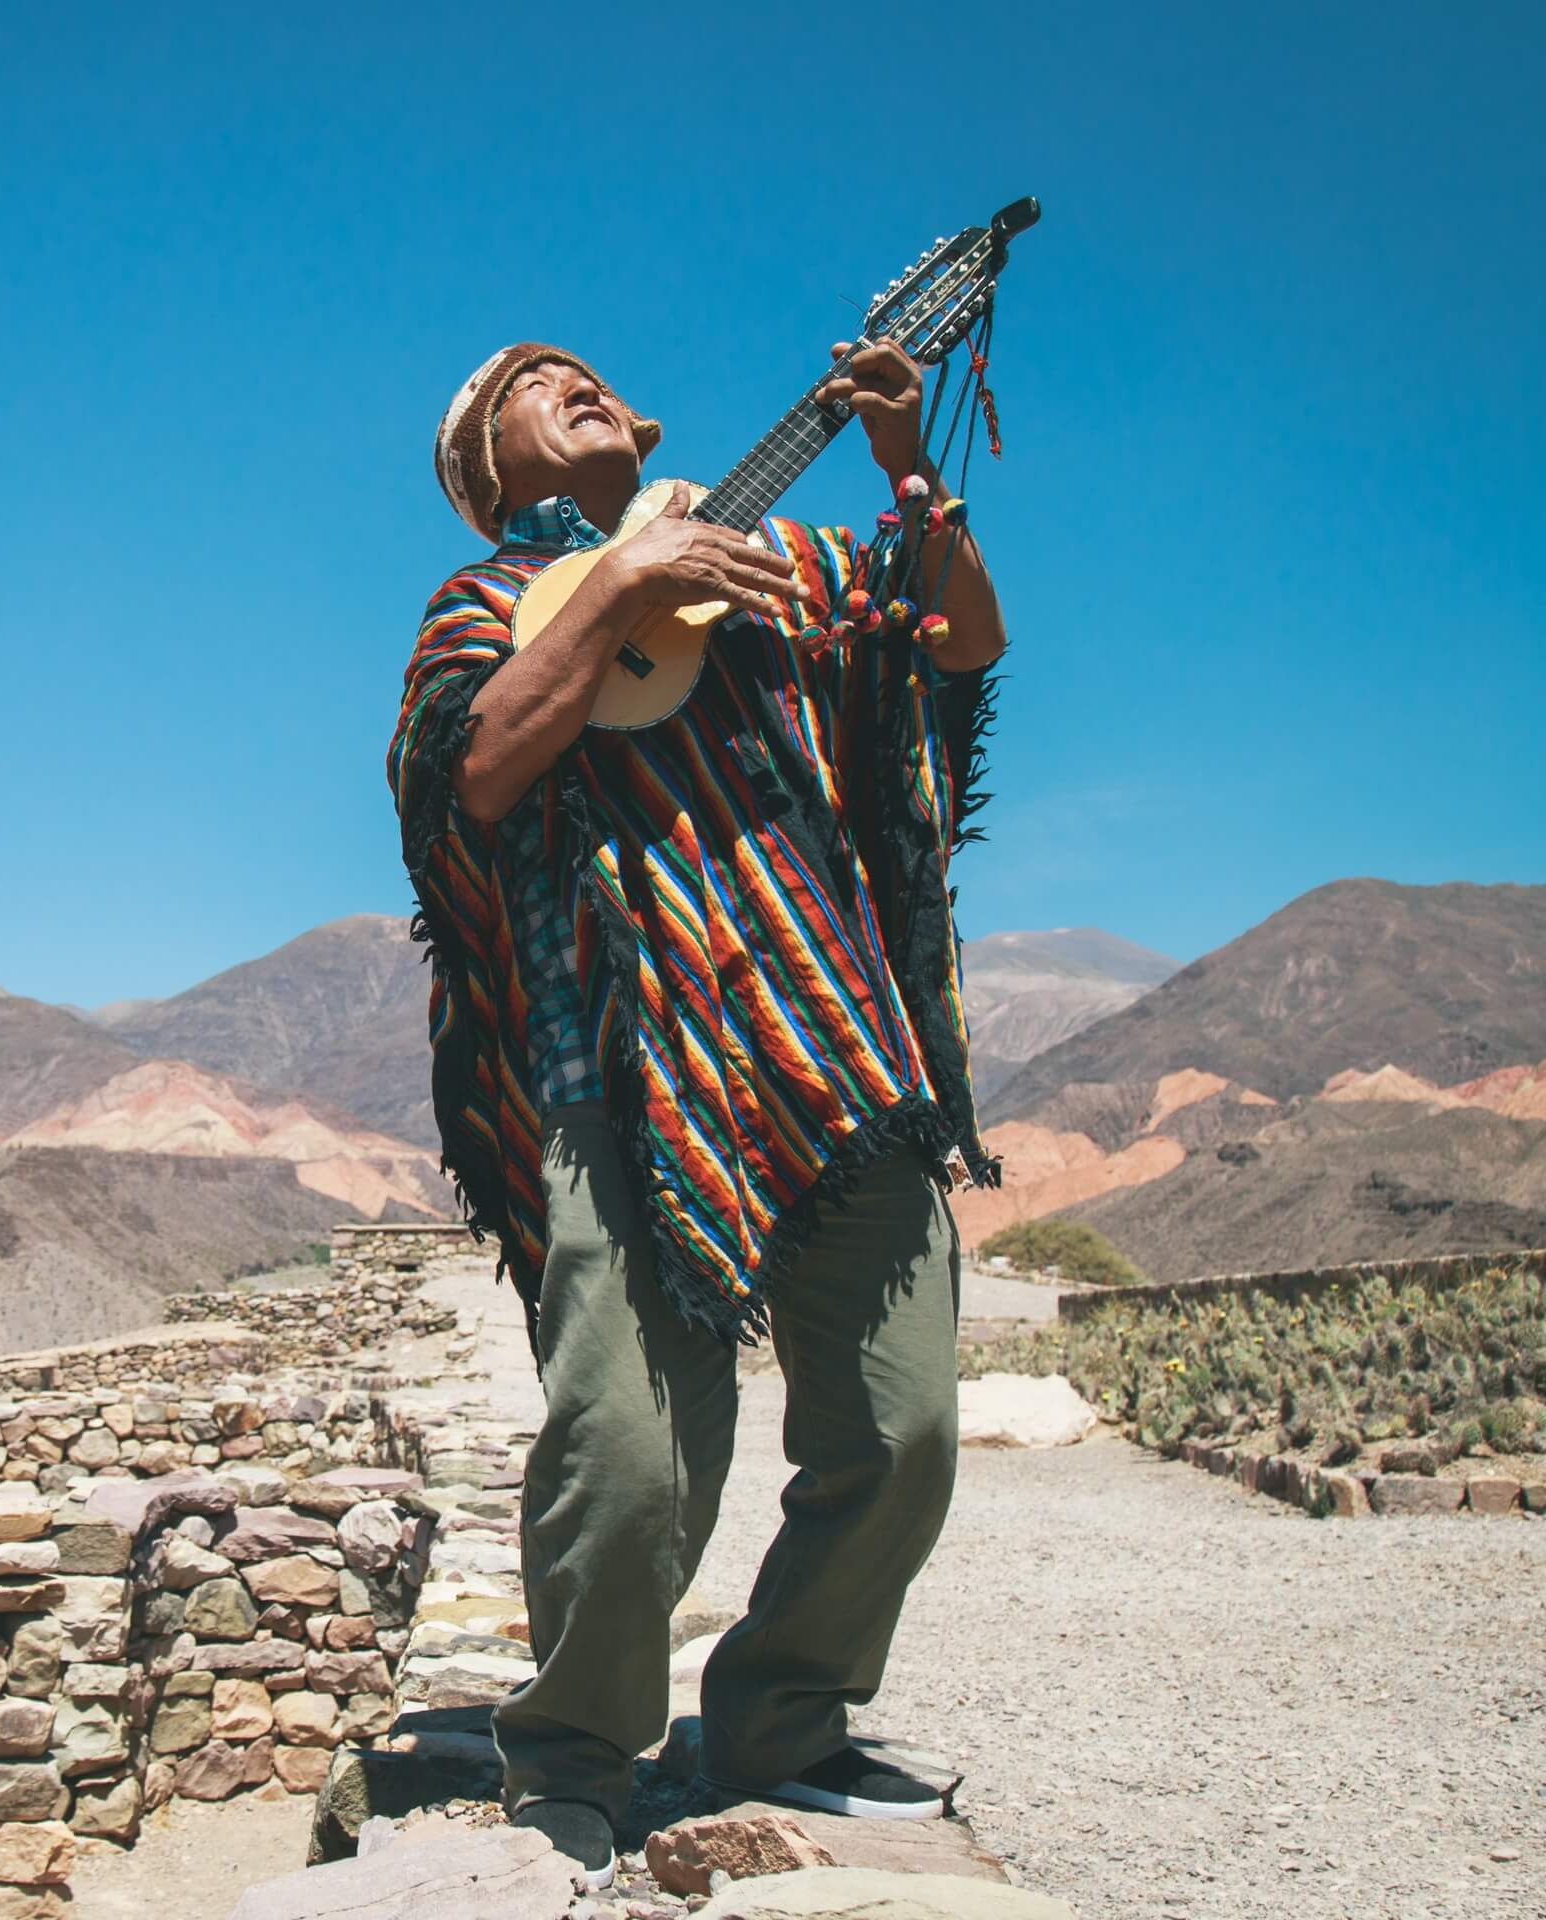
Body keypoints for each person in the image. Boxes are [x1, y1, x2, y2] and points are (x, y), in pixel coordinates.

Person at [388, 341, 1008, 1885]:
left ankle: (777, 1727)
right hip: (621, 1063)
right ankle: (577, 1756)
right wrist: (618, 582)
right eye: (539, 383)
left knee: (907, 1429)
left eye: (593, 372)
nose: (580, 384)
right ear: (489, 467)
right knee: (629, 1456)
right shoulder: (482, 607)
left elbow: (957, 645)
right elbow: (473, 773)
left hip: (832, 1046)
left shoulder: (777, 560)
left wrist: (906, 464)